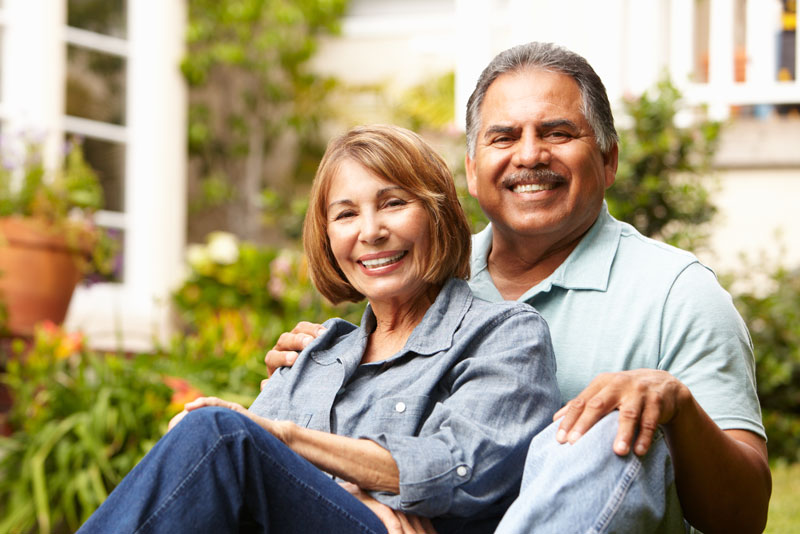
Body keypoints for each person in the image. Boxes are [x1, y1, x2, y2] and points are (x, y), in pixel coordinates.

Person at [267, 43, 771, 533]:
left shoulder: (677, 293)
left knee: (605, 425)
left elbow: (744, 518)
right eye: (504, 137)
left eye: (558, 133)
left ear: (608, 159)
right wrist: (317, 377)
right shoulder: (418, 272)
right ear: (471, 169)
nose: (529, 155)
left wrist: (678, 409)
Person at [77, 124, 560, 534]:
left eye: (393, 203)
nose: (370, 231)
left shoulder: (505, 335)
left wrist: (288, 439)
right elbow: (248, 477)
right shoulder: (316, 351)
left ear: (437, 215)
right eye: (346, 214)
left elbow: (458, 468)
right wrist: (359, 495)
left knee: (219, 432)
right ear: (328, 238)